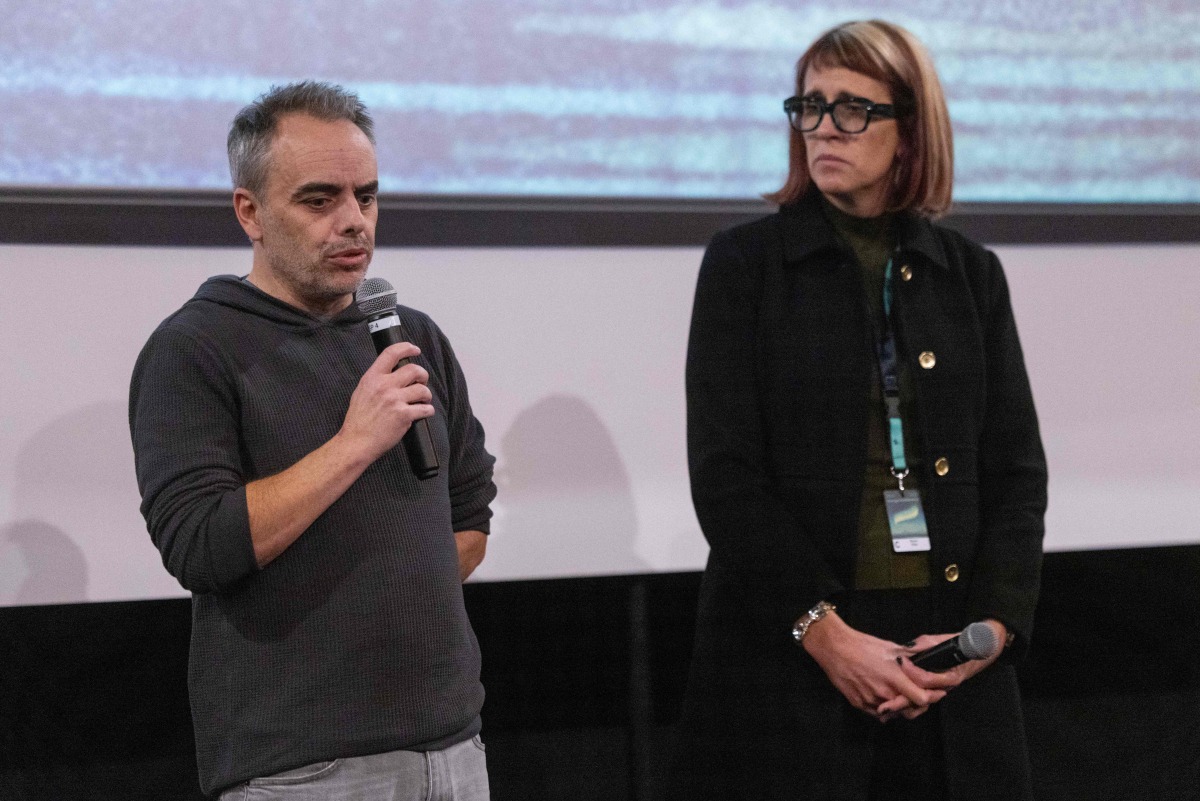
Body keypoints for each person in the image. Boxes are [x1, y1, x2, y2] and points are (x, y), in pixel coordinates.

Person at [669, 20, 1047, 801]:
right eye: (809, 106)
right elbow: (726, 476)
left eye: (851, 109)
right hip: (795, 660)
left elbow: (1016, 471)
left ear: (910, 131)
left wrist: (992, 629)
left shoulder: (971, 276)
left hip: (947, 661)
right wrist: (826, 633)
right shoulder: (745, 265)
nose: (821, 129)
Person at [129, 82, 496, 799]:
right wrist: (355, 442)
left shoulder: (409, 336)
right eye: (320, 200)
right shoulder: (195, 348)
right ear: (250, 212)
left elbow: (469, 517)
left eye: (367, 196)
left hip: (452, 751)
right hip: (303, 770)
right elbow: (200, 543)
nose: (354, 221)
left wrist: (388, 600)